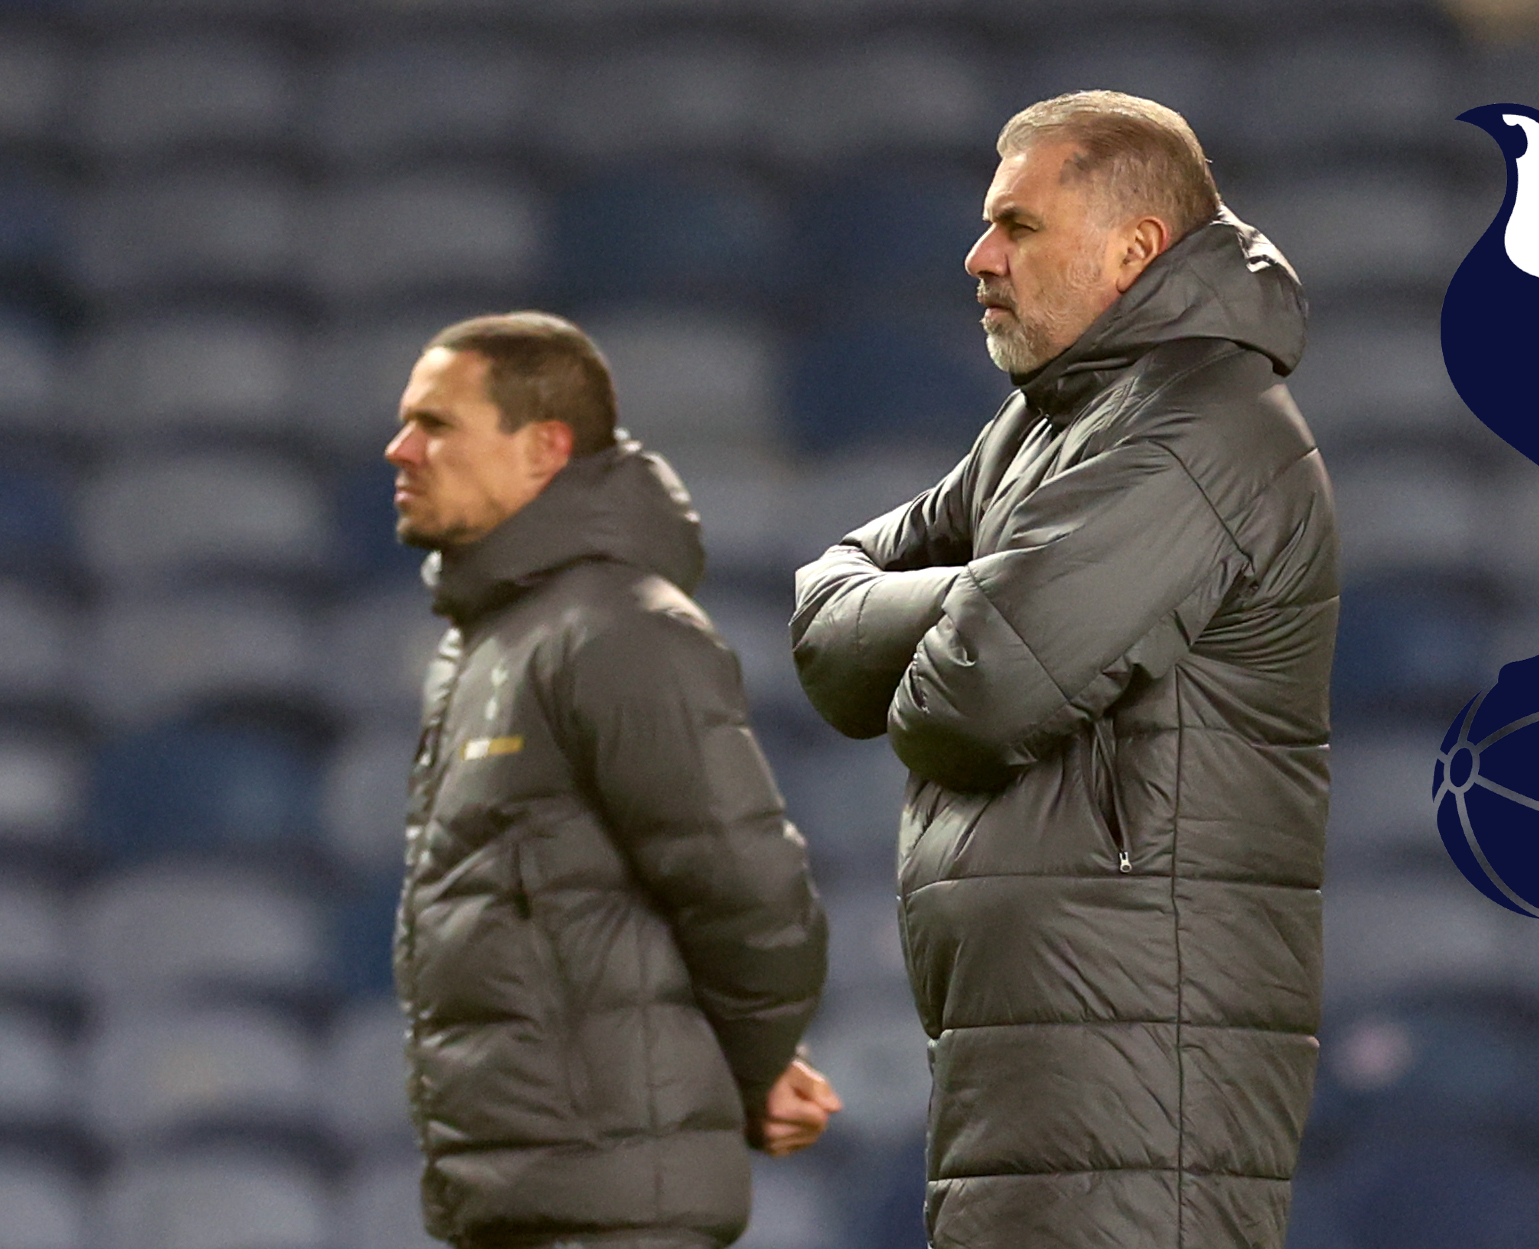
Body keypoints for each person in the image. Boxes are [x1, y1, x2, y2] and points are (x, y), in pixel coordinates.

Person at [791, 92, 1338, 1247]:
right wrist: (990, 590)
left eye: (1017, 227)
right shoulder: (1048, 424)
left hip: (1136, 1099)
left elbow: (968, 700)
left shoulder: (1202, 428)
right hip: (1040, 1078)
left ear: (1133, 247)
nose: (976, 256)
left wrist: (992, 604)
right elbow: (825, 624)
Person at [386, 311, 838, 1249]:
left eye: (435, 424)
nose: (401, 449)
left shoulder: (620, 631)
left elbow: (751, 891)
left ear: (544, 449)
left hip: (616, 1213)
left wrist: (752, 1072)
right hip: (530, 1204)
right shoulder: (488, 645)